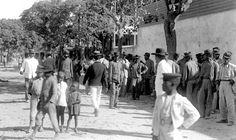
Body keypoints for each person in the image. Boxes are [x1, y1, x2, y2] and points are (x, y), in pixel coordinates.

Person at [152, 73, 200, 140]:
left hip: (172, 132)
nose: (162, 84)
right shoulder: (160, 98)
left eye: (165, 82)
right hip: (161, 131)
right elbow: (155, 116)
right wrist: (154, 133)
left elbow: (195, 114)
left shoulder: (181, 100)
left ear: (172, 84)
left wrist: (183, 125)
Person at [29, 66, 60, 139]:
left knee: (53, 119)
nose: (45, 73)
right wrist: (41, 100)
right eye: (45, 72)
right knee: (38, 117)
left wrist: (51, 101)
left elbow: (55, 92)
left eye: (46, 72)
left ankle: (57, 132)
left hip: (50, 104)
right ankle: (34, 134)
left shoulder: (53, 80)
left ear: (50, 72)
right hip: (43, 102)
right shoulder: (45, 79)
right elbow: (43, 91)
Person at [83, 51, 107, 117]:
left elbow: (86, 75)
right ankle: (96, 108)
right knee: (98, 97)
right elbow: (105, 77)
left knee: (93, 97)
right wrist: (106, 85)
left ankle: (96, 108)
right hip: (100, 84)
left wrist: (84, 82)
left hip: (93, 83)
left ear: (94, 58)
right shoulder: (103, 66)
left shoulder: (92, 66)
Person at [216, 51, 236, 126]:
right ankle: (223, 118)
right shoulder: (220, 66)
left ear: (230, 59)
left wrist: (233, 80)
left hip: (229, 84)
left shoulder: (233, 66)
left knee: (230, 103)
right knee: (221, 102)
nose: (225, 60)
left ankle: (231, 120)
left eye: (227, 59)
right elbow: (219, 75)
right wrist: (218, 82)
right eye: (224, 58)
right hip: (222, 83)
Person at [197, 49, 218, 119]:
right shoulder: (204, 63)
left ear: (209, 55)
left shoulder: (214, 64)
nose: (204, 56)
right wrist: (199, 81)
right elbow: (201, 74)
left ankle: (207, 115)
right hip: (203, 81)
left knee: (209, 99)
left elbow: (216, 75)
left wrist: (215, 84)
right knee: (201, 98)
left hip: (210, 82)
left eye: (205, 54)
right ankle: (202, 114)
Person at [27, 65, 44, 133]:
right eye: (39, 72)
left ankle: (40, 126)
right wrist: (30, 94)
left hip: (41, 97)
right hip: (34, 97)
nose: (40, 74)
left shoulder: (44, 80)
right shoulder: (32, 80)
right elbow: (29, 89)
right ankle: (30, 126)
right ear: (36, 72)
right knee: (32, 112)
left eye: (41, 72)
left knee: (41, 112)